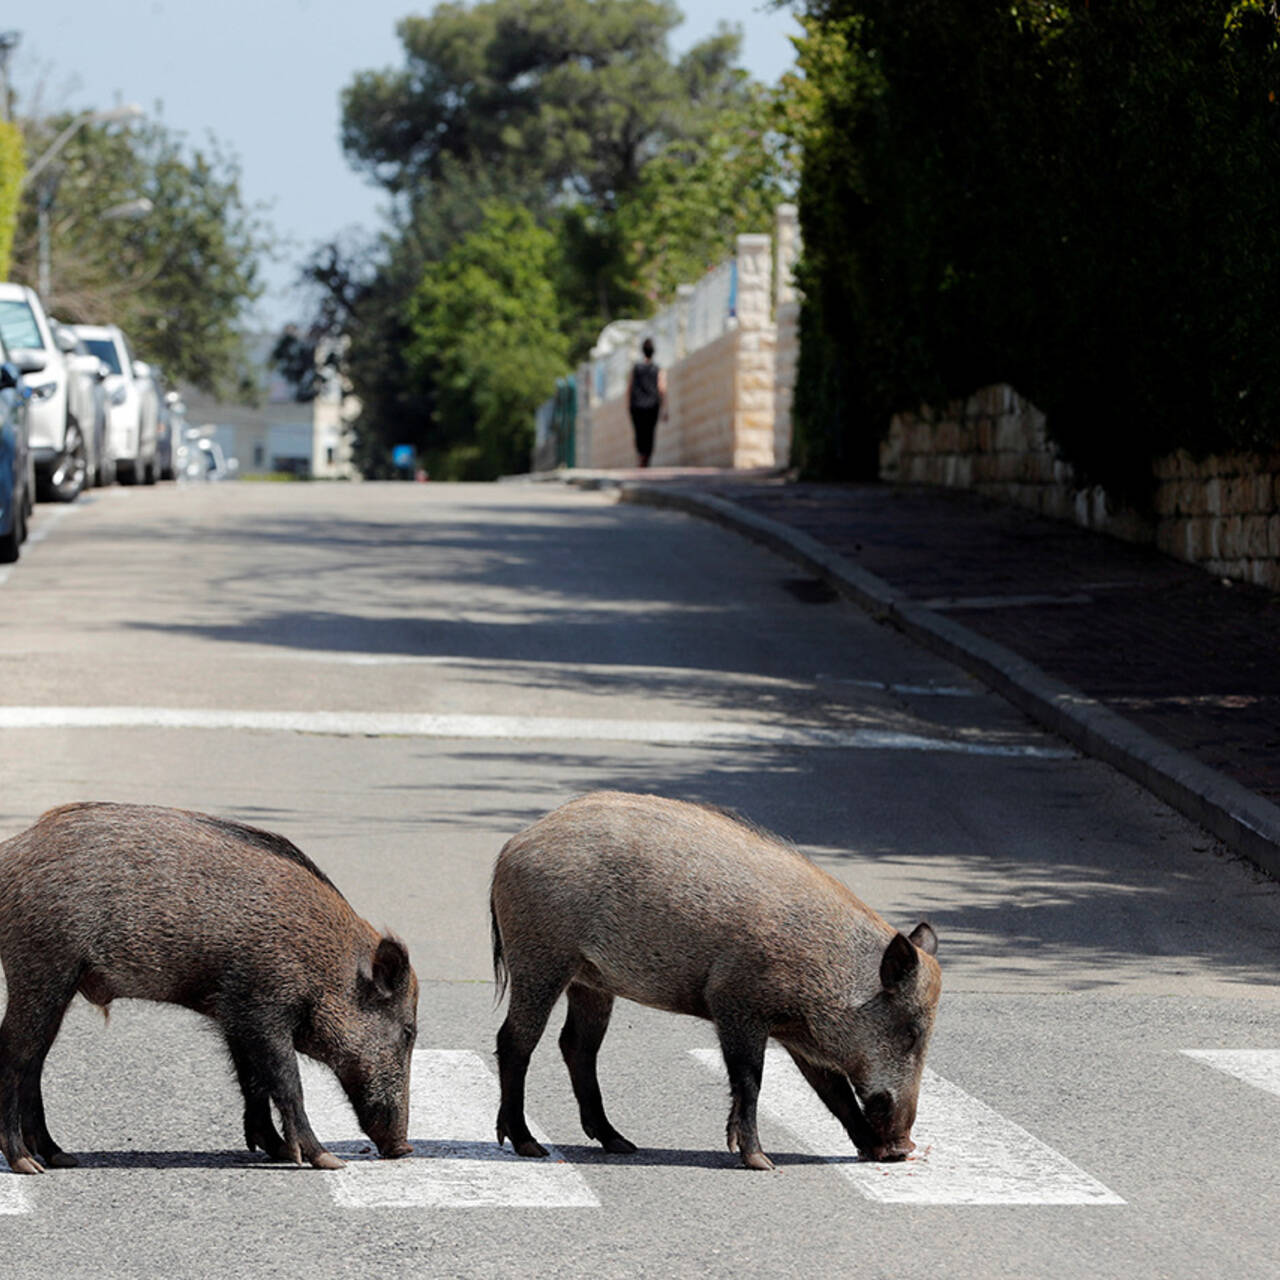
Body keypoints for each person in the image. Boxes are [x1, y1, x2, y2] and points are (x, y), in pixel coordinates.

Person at [626, 337, 666, 468]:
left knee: (639, 432)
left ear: (642, 351)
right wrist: (665, 407)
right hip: (652, 405)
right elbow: (662, 388)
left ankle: (641, 455)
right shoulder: (657, 368)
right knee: (650, 432)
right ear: (653, 352)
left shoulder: (636, 368)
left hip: (637, 405)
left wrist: (628, 404)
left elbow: (630, 386)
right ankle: (646, 457)